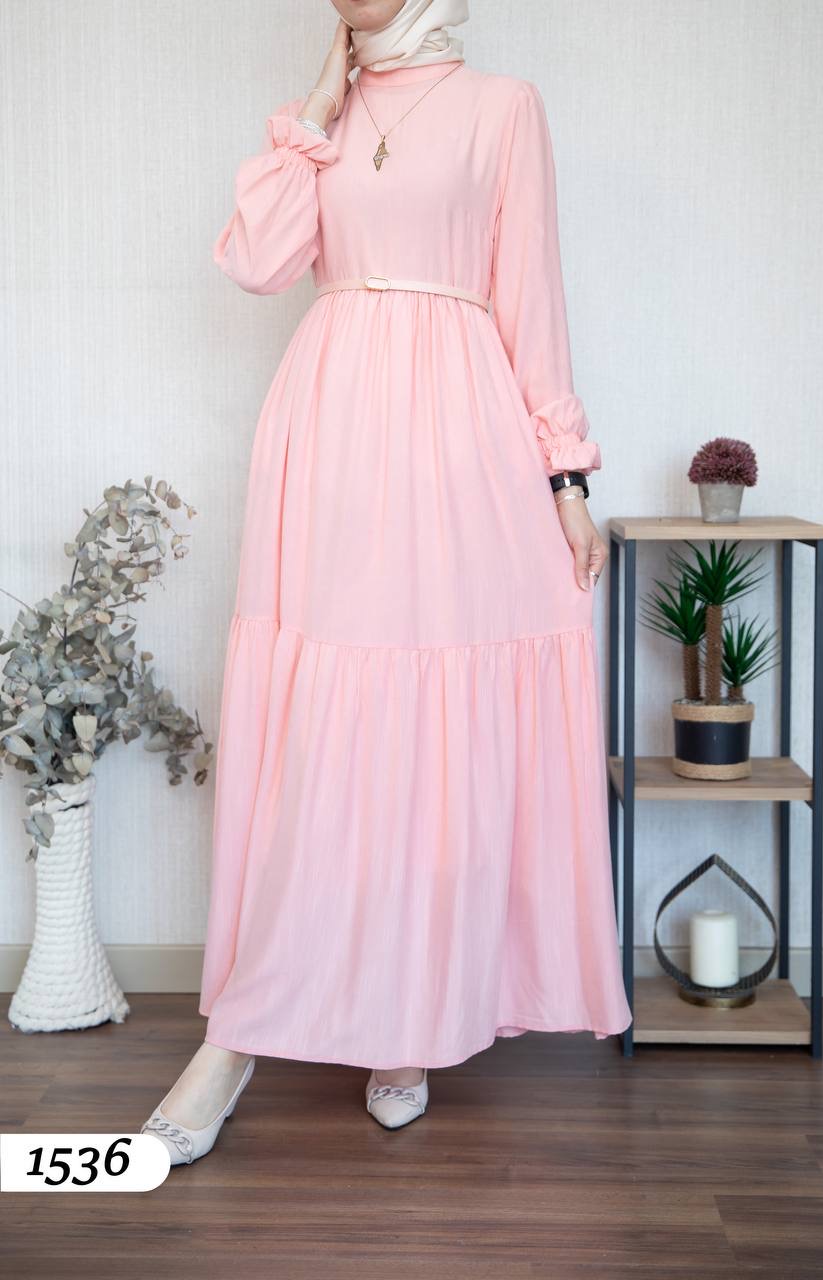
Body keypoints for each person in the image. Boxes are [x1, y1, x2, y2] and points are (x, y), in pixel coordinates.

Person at [141, 0, 632, 1164]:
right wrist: (316, 110)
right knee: (325, 721)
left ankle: (405, 1023)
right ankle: (236, 1034)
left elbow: (533, 297)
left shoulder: (502, 108)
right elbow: (255, 262)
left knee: (428, 724)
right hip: (330, 432)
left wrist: (564, 475)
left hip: (458, 436)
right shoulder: (323, 118)